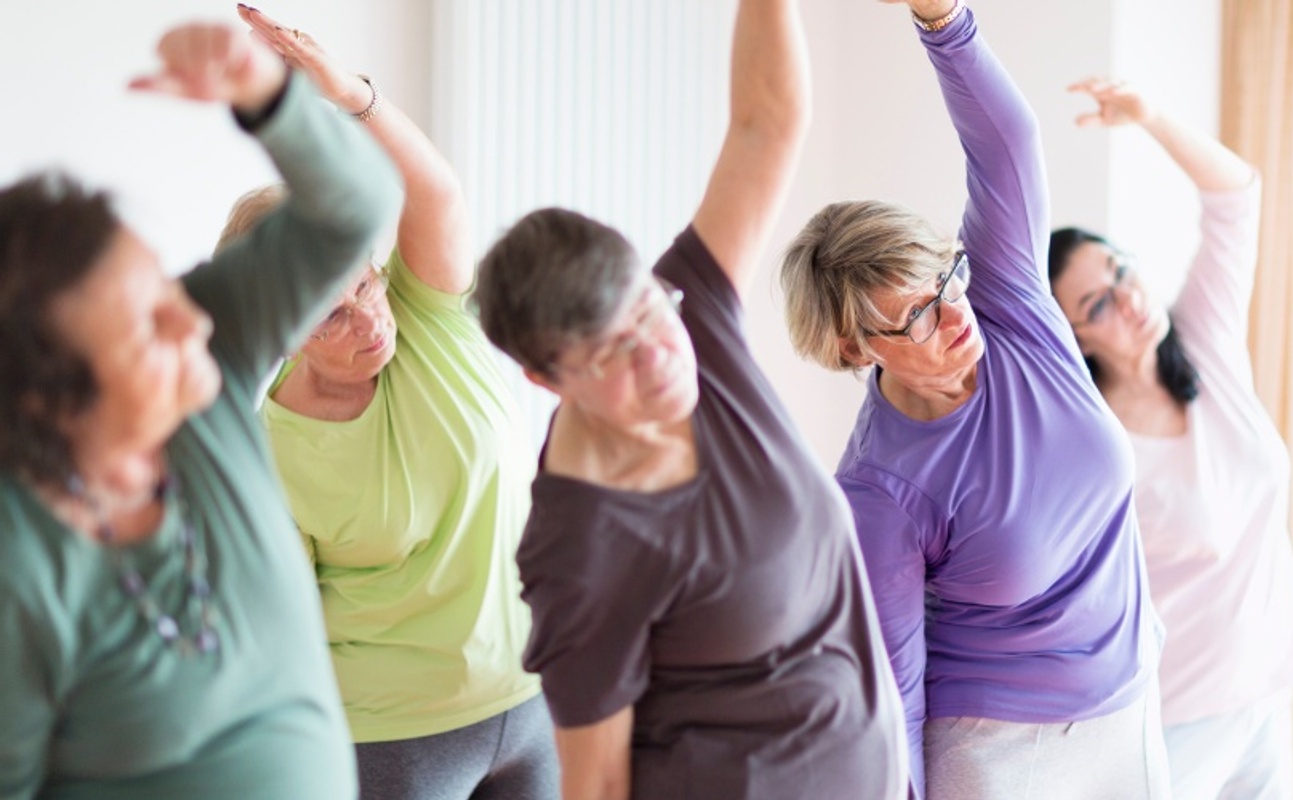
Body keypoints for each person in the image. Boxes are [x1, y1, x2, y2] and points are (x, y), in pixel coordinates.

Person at [472, 0, 909, 798]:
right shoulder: (581, 548)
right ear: (547, 381)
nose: (660, 356)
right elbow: (596, 787)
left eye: (646, 308)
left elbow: (767, 122)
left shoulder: (694, 312)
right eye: (611, 351)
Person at [0, 21, 400, 799]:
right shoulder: (21, 568)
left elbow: (356, 207)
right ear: (53, 398)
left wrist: (268, 96)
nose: (189, 319)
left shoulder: (212, 357)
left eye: (165, 287)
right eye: (147, 326)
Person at [778, 3, 1167, 798]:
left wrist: (942, 19)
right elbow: (893, 687)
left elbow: (1009, 142)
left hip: (1130, 706)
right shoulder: (880, 490)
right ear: (857, 349)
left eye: (943, 280)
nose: (954, 314)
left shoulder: (1009, 304)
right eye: (915, 315)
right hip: (1001, 752)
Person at [211, 8, 559, 799]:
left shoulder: (429, 318)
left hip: (535, 696)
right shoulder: (268, 453)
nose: (369, 316)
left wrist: (347, 95)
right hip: (391, 740)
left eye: (363, 281)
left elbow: (435, 191)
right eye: (332, 312)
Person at [1044, 79, 1293, 798]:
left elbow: (1237, 196)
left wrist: (1149, 118)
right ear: (1074, 333)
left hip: (1265, 691)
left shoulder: (1205, 343)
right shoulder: (1090, 442)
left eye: (1121, 271)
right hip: (1175, 718)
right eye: (1097, 302)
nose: (1129, 299)